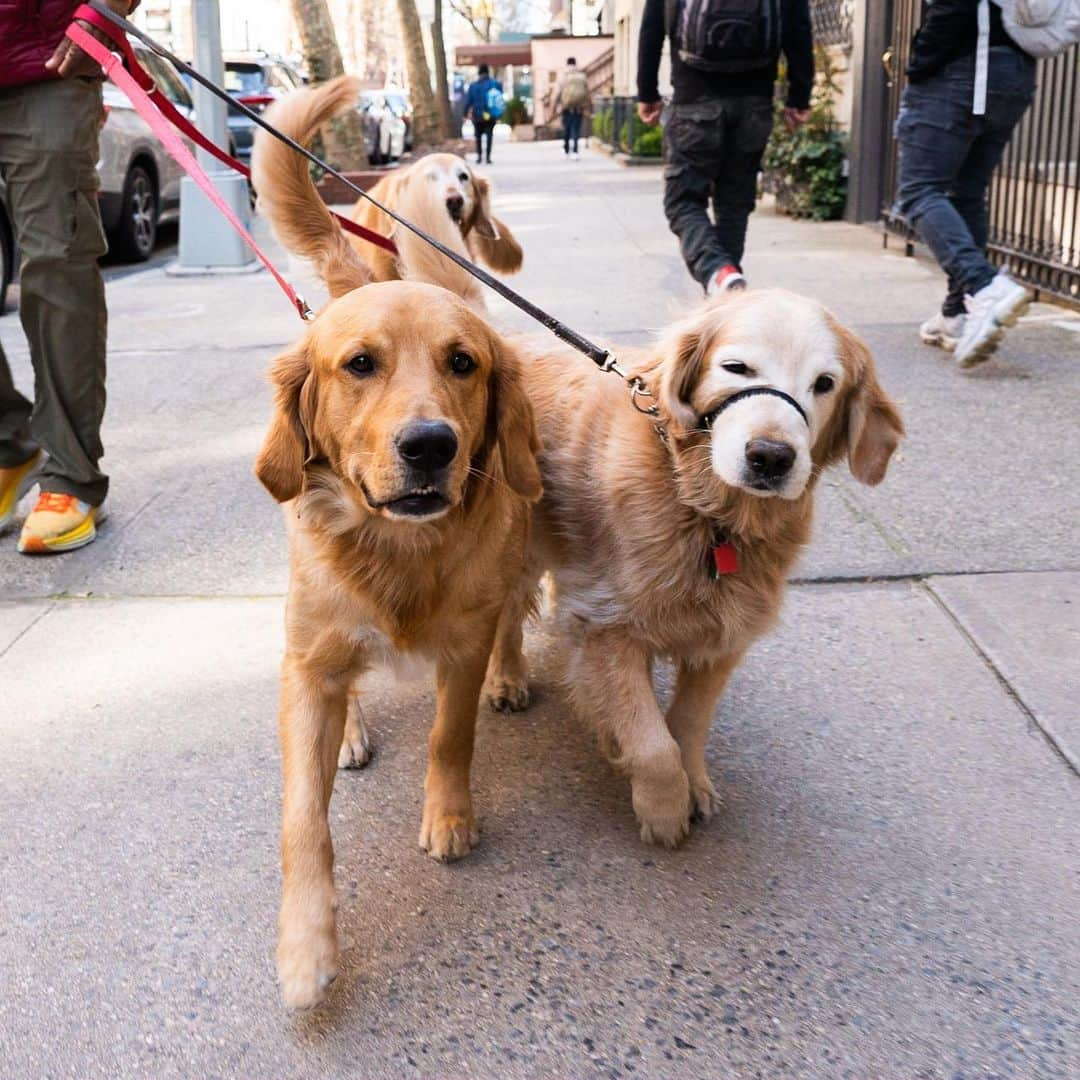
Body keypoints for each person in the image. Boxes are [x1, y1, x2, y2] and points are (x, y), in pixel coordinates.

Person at [0, 0, 137, 555]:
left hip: (46, 64)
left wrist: (100, 15)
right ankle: (9, 444)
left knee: (55, 263)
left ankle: (72, 474)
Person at [638, 0, 813, 295]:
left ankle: (718, 273)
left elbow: (652, 29)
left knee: (683, 201)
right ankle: (728, 290)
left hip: (694, 100)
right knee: (734, 203)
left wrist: (647, 92)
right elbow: (799, 30)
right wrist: (799, 97)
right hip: (755, 104)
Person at [895, 0, 1036, 367]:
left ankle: (986, 286)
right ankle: (957, 314)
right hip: (1014, 71)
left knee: (918, 191)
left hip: (962, 68)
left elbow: (952, 6)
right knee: (966, 194)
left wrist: (919, 64)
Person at [463, 64, 503, 166]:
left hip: (478, 115)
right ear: (488, 72)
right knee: (489, 135)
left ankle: (479, 157)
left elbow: (468, 101)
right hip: (490, 115)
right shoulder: (495, 84)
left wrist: (465, 113)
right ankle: (488, 158)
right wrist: (499, 114)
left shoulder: (473, 86)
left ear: (479, 73)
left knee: (478, 136)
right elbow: (499, 99)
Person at [554, 56, 590, 160]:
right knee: (576, 130)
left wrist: (554, 106)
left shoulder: (563, 76)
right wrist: (588, 107)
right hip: (578, 107)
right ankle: (575, 151)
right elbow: (587, 92)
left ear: (567, 64)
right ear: (575, 64)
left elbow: (557, 93)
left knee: (567, 129)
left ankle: (566, 150)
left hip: (566, 107)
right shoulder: (582, 76)